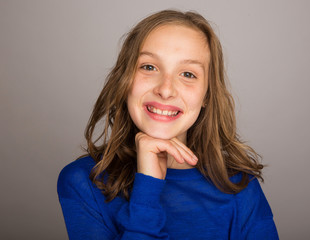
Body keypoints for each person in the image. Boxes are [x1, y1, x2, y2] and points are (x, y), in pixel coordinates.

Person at [57, 9, 279, 239]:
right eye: (149, 67)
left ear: (206, 96)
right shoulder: (83, 181)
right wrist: (147, 188)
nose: (165, 89)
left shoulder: (240, 187)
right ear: (125, 81)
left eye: (188, 74)